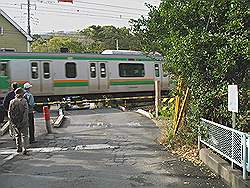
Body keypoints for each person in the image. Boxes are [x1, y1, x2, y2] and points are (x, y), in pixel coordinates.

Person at [8, 88, 29, 155]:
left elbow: (9, 112)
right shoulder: (24, 101)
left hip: (15, 121)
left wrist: (12, 120)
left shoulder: (12, 102)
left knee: (17, 135)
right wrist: (24, 120)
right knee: (24, 135)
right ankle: (24, 148)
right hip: (23, 121)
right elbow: (26, 112)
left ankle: (18, 147)